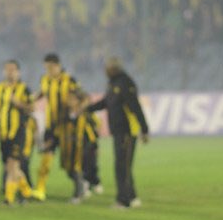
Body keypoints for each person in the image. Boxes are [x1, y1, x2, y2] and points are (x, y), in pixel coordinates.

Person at [87, 57, 149, 208]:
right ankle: (132, 197)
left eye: (108, 68)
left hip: (127, 131)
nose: (105, 71)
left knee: (121, 166)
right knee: (124, 165)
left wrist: (144, 129)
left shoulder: (126, 83)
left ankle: (123, 200)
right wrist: (87, 109)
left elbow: (135, 107)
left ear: (114, 68)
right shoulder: (113, 83)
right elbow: (106, 102)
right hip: (118, 131)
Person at [0, 60, 39, 205]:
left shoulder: (24, 89)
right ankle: (26, 191)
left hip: (19, 133)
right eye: (7, 69)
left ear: (18, 72)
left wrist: (19, 103)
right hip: (4, 135)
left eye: (13, 69)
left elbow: (32, 108)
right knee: (10, 166)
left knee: (13, 164)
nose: (10, 72)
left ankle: (9, 198)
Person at [33, 53, 81, 201]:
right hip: (51, 126)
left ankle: (80, 188)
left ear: (58, 66)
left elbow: (79, 98)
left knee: (70, 162)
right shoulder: (45, 80)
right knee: (46, 158)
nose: (49, 71)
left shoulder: (69, 80)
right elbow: (41, 93)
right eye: (46, 68)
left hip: (67, 126)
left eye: (51, 68)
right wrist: (29, 101)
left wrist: (74, 111)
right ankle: (40, 190)